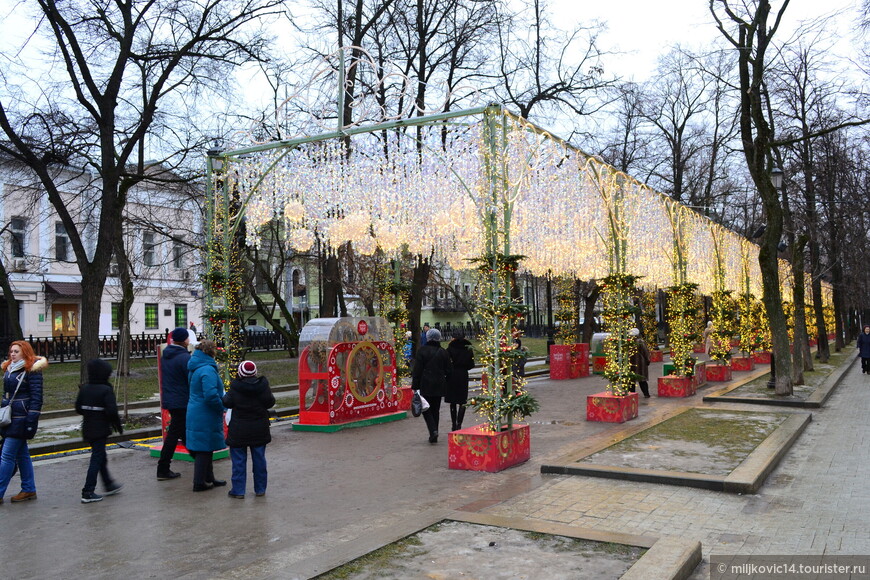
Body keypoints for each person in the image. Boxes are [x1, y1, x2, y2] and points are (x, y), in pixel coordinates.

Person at [0, 340, 47, 504]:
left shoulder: (32, 370)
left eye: (16, 351)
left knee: (6, 457)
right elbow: (7, 394)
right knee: (22, 456)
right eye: (11, 351)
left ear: (25, 353)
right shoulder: (9, 368)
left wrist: (31, 420)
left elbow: (37, 398)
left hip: (22, 419)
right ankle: (28, 489)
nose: (12, 354)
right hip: (10, 418)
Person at [222, 361, 275, 499]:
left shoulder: (235, 387)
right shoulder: (263, 386)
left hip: (239, 429)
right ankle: (260, 489)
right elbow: (270, 402)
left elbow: (227, 402)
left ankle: (238, 491)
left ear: (240, 373)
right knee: (259, 460)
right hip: (259, 428)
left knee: (238, 461)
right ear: (255, 372)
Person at [75, 359, 124, 503]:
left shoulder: (85, 388)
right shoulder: (106, 389)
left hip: (88, 428)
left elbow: (78, 408)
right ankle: (88, 491)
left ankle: (108, 484)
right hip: (101, 429)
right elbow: (112, 411)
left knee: (100, 456)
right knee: (97, 458)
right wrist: (117, 425)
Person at [186, 339, 227, 492]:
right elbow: (210, 395)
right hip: (205, 413)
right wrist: (221, 406)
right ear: (212, 352)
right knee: (204, 448)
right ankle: (199, 482)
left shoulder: (196, 366)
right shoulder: (208, 370)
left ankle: (209, 477)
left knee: (205, 446)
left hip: (196, 410)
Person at [156, 327, 192, 481]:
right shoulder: (184, 358)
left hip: (171, 399)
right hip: (182, 400)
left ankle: (201, 461)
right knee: (174, 434)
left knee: (181, 433)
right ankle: (163, 468)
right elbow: (189, 379)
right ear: (184, 340)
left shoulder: (167, 356)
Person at [412, 328, 452, 444]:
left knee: (425, 408)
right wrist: (445, 381)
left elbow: (417, 370)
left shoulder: (422, 351)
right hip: (439, 384)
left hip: (425, 384)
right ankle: (435, 432)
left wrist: (415, 386)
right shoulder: (443, 352)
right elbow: (449, 370)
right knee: (436, 409)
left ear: (428, 337)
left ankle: (433, 430)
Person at [445, 331, 474, 431]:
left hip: (452, 374)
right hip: (463, 375)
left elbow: (446, 362)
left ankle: (453, 424)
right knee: (462, 401)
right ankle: (459, 423)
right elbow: (471, 364)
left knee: (452, 401)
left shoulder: (450, 348)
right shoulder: (468, 348)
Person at [629, 327, 651, 398]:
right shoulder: (640, 342)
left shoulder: (629, 342)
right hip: (641, 364)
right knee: (642, 380)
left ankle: (632, 394)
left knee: (632, 381)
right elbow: (645, 352)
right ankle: (646, 394)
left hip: (631, 364)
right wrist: (648, 360)